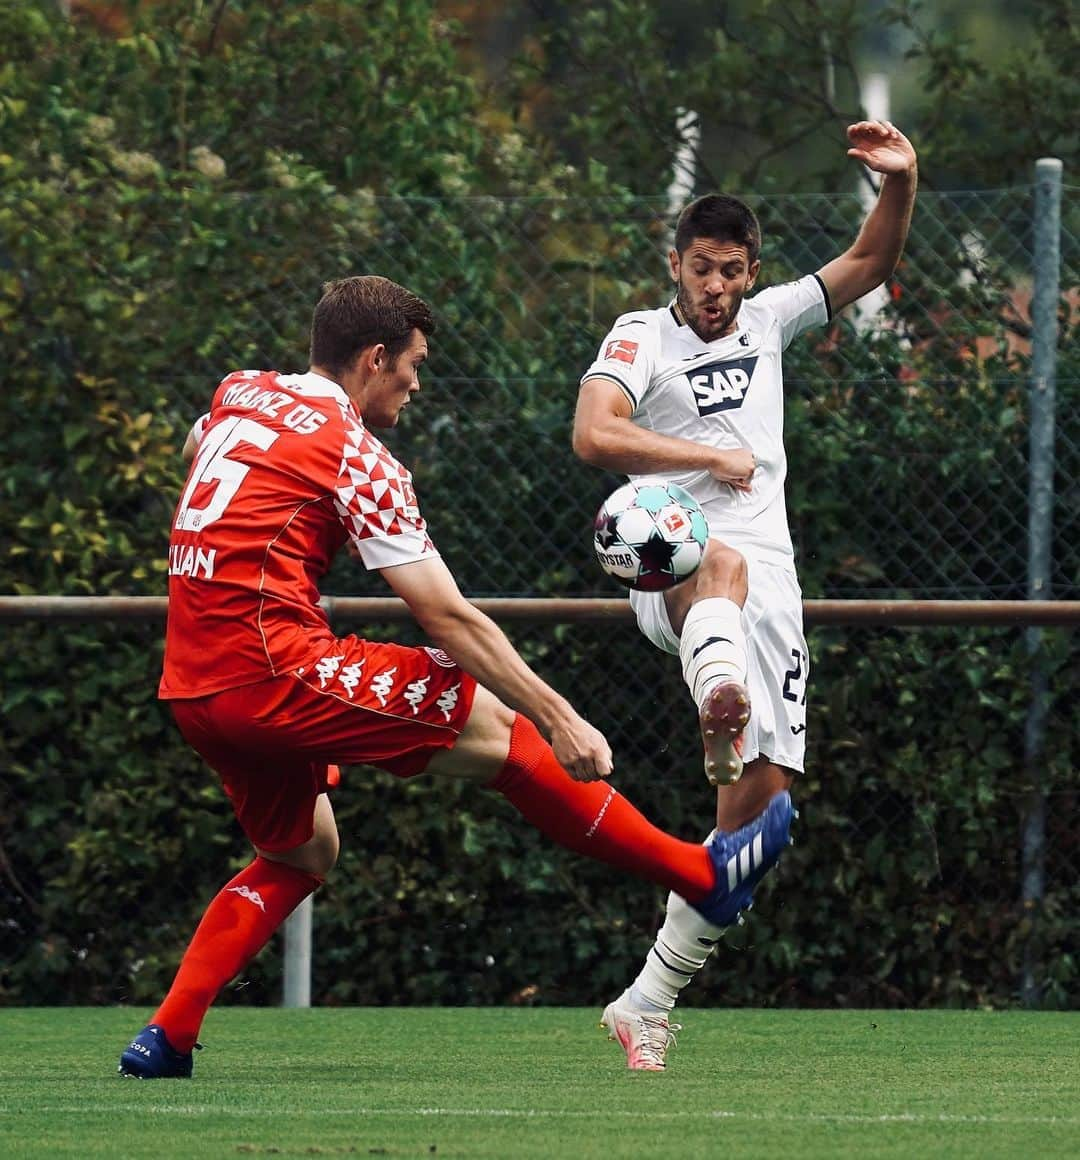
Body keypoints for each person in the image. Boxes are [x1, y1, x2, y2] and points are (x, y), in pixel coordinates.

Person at [118, 274, 795, 1078]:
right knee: (500, 727)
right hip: (274, 669)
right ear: (374, 359)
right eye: (412, 364)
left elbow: (203, 449)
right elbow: (447, 616)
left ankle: (167, 1038)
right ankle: (702, 874)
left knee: (305, 853)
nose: (417, 381)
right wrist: (558, 715)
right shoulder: (358, 457)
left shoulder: (242, 394)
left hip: (194, 686)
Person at [573, 121, 918, 1069]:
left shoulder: (770, 318)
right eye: (700, 269)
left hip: (773, 588)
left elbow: (872, 259)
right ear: (674, 263)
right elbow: (595, 434)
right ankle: (715, 696)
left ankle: (645, 1000)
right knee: (716, 562)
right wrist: (705, 456)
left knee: (758, 828)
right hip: (670, 560)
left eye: (731, 271)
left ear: (750, 268)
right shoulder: (640, 335)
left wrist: (903, 180)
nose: (715, 288)